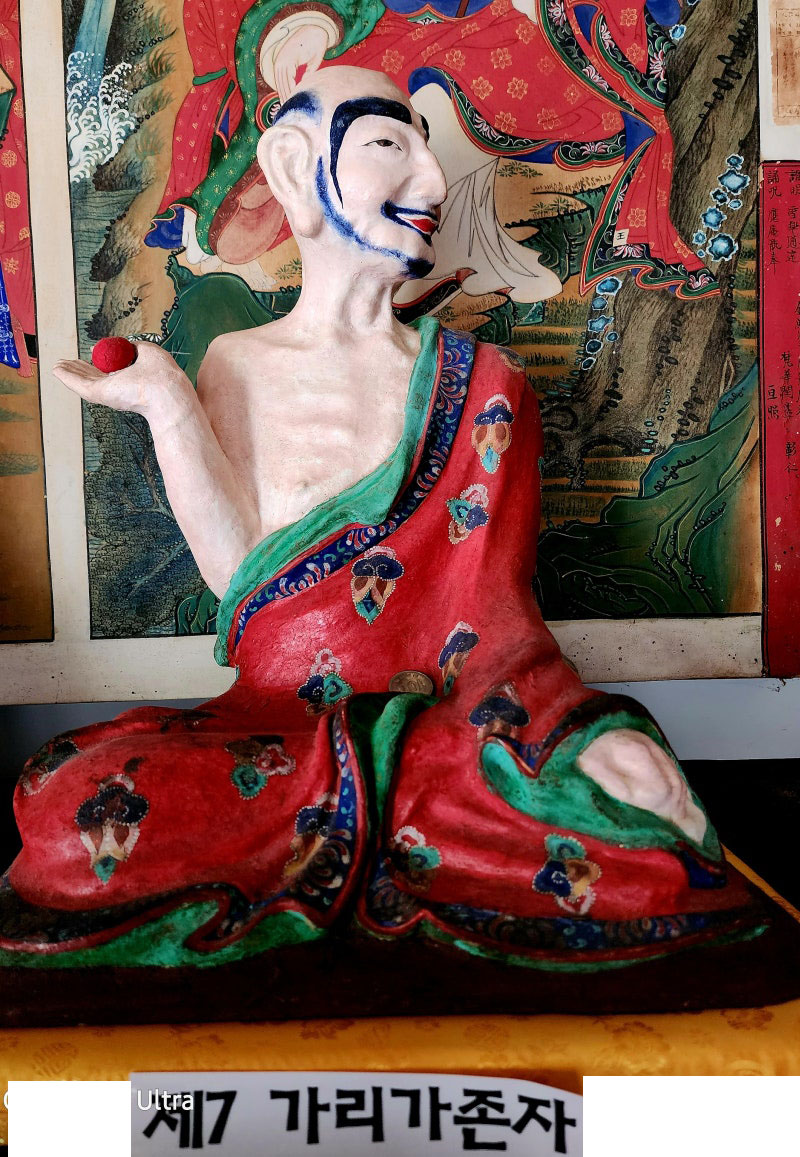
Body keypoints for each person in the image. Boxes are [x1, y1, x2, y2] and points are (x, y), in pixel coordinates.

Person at [0, 67, 757, 971]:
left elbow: (504, 637)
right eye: (390, 145)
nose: (431, 181)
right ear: (296, 167)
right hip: (279, 730)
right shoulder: (236, 365)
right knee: (74, 802)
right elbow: (245, 584)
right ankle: (392, 823)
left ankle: (404, 812)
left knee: (639, 794)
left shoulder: (485, 388)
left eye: (428, 151)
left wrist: (564, 736)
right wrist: (167, 403)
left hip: (447, 730)